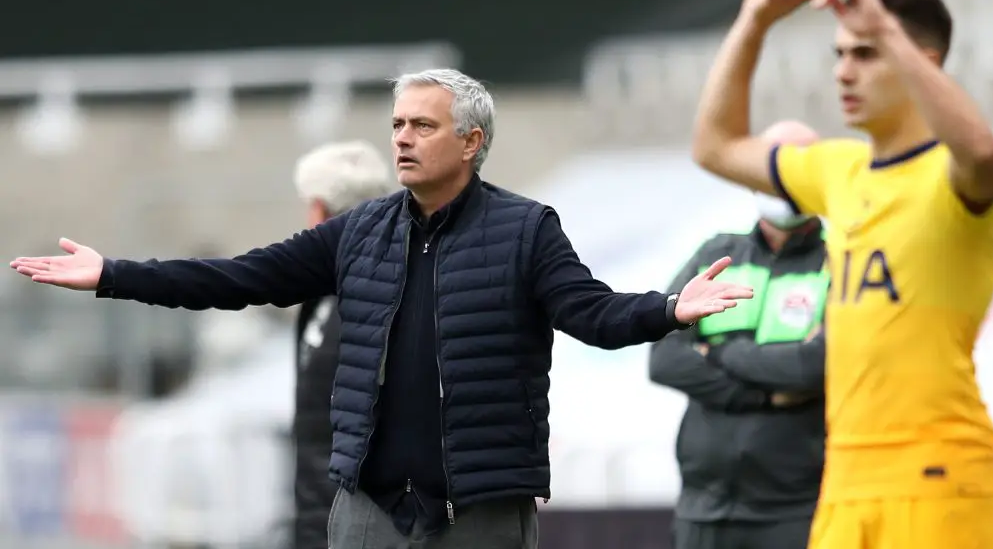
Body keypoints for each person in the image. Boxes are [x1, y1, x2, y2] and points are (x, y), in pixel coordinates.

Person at [10, 68, 755, 549]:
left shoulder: (527, 230)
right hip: (368, 511)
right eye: (397, 124)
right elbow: (235, 277)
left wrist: (668, 308)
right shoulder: (358, 232)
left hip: (481, 514)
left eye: (421, 126)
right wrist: (113, 274)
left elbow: (593, 313)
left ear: (472, 142)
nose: (402, 138)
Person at [691, 0, 993, 549]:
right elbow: (713, 144)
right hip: (843, 477)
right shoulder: (837, 170)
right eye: (840, 54)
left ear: (922, 60)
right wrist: (753, 21)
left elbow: (984, 153)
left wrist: (884, 28)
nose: (842, 72)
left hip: (939, 472)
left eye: (864, 54)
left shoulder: (955, 173)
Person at [650, 119, 829, 549]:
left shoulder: (839, 263)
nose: (781, 181)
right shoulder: (717, 254)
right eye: (773, 167)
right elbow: (665, 358)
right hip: (703, 509)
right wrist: (766, 394)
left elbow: (814, 367)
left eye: (797, 168)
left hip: (796, 509)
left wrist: (718, 353)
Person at [291, 140, 393, 549]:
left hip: (355, 529)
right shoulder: (322, 291)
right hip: (322, 522)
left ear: (318, 209)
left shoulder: (373, 298)